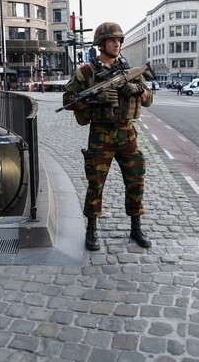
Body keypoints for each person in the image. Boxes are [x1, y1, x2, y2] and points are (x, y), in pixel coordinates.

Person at [63, 22, 153, 251]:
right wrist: (95, 100)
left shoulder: (128, 70)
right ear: (101, 43)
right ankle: (91, 229)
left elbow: (149, 100)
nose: (118, 44)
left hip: (127, 133)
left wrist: (137, 90)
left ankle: (136, 227)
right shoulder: (86, 71)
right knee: (95, 183)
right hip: (100, 135)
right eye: (113, 40)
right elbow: (67, 101)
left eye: (119, 40)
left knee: (136, 179)